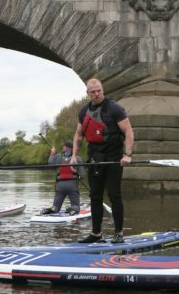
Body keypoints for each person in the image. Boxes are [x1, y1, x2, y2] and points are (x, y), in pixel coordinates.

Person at [71, 78, 134, 244]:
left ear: (103, 90)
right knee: (95, 196)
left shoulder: (115, 108)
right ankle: (96, 234)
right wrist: (73, 157)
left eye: (99, 90)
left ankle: (119, 233)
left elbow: (128, 131)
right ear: (88, 93)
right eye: (93, 92)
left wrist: (127, 154)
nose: (97, 94)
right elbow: (78, 135)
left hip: (114, 159)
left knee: (114, 194)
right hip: (94, 159)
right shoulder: (84, 112)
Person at [41, 140, 85, 215]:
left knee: (56, 208)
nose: (62, 148)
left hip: (60, 186)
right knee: (76, 206)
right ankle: (71, 208)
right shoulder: (77, 158)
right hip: (72, 185)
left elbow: (50, 165)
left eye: (63, 147)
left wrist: (52, 154)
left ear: (65, 148)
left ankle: (52, 209)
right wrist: (78, 179)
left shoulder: (57, 157)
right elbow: (83, 175)